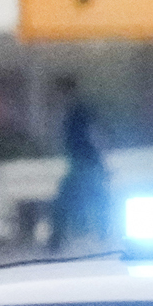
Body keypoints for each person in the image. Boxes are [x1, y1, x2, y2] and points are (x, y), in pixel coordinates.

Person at [47, 75, 110, 252]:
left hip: (85, 162)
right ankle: (102, 232)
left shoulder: (78, 111)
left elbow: (94, 134)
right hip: (85, 162)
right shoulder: (78, 110)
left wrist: (101, 158)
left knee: (66, 200)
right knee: (96, 198)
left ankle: (56, 240)